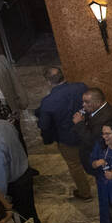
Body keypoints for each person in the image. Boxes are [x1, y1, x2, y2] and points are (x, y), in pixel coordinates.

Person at [35, 67, 91, 201]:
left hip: (67, 139)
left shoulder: (48, 102)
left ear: (48, 81)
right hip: (88, 132)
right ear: (63, 75)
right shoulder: (81, 87)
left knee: (75, 165)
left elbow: (44, 125)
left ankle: (85, 193)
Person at [74, 87, 112, 223]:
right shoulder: (97, 111)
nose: (83, 105)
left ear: (97, 102)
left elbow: (91, 140)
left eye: (87, 102)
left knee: (111, 199)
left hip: (107, 165)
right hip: (99, 162)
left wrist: (79, 124)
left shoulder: (105, 117)